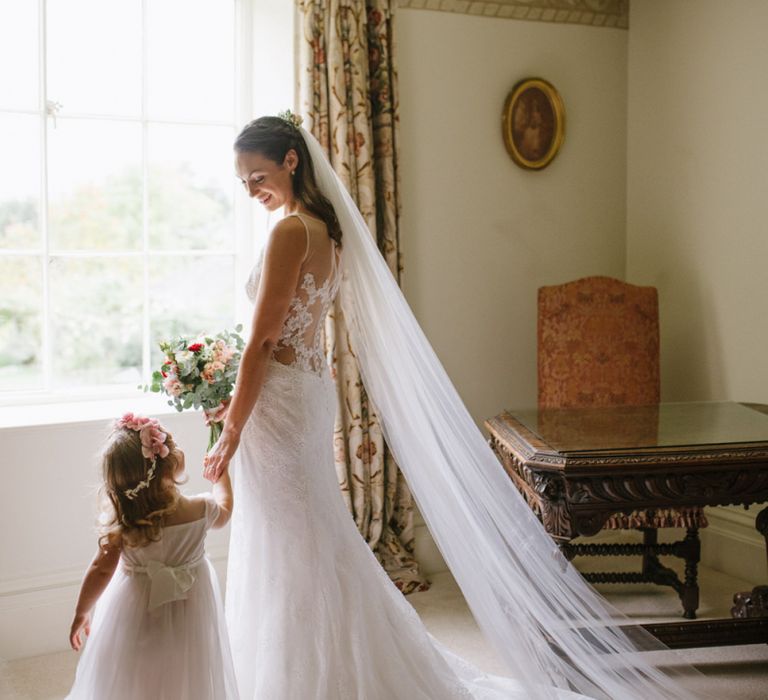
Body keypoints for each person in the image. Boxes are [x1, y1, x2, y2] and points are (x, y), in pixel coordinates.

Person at [203, 114, 706, 700]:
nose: (251, 191)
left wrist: (231, 427)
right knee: (309, 536)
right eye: (242, 183)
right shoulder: (327, 230)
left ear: (292, 161)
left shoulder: (291, 232)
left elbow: (265, 341)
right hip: (305, 395)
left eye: (257, 176)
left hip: (282, 400)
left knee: (293, 540)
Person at [66, 413, 238, 699]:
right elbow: (226, 510)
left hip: (136, 609)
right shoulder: (201, 509)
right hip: (191, 608)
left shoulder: (124, 525)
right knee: (187, 664)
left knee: (135, 665)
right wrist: (222, 475)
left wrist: (82, 611)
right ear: (170, 463)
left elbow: (100, 570)